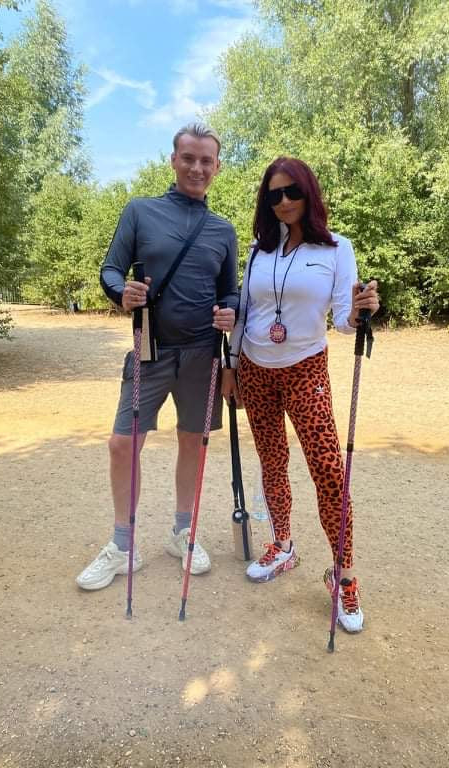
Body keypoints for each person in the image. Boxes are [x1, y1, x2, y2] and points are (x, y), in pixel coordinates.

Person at [77, 123, 238, 591]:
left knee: (194, 441)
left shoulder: (222, 230)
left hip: (202, 354)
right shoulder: (140, 212)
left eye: (206, 160)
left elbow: (230, 290)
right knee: (123, 443)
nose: (197, 167)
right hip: (148, 348)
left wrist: (231, 309)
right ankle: (123, 546)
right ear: (173, 160)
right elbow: (110, 268)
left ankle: (183, 532)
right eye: (189, 158)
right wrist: (119, 292)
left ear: (216, 167)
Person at [222, 157, 379, 633]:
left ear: (308, 194)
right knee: (271, 462)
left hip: (305, 368)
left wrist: (361, 311)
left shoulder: (335, 248)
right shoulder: (257, 250)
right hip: (255, 368)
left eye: (292, 192)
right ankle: (283, 544)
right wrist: (230, 367)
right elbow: (245, 310)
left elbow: (344, 319)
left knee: (328, 469)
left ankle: (344, 573)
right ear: (265, 202)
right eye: (274, 195)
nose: (284, 201)